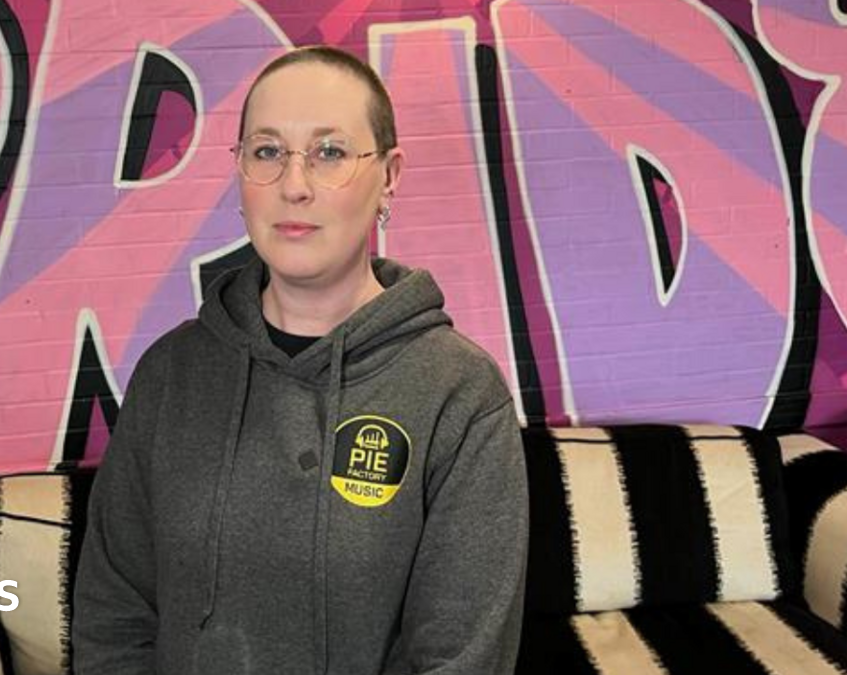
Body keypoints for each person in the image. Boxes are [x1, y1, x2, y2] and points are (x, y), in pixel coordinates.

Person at [73, 45, 529, 675]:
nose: (293, 185)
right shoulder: (170, 375)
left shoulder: (460, 395)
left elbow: (460, 658)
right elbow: (112, 614)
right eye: (266, 152)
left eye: (330, 153)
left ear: (389, 176)